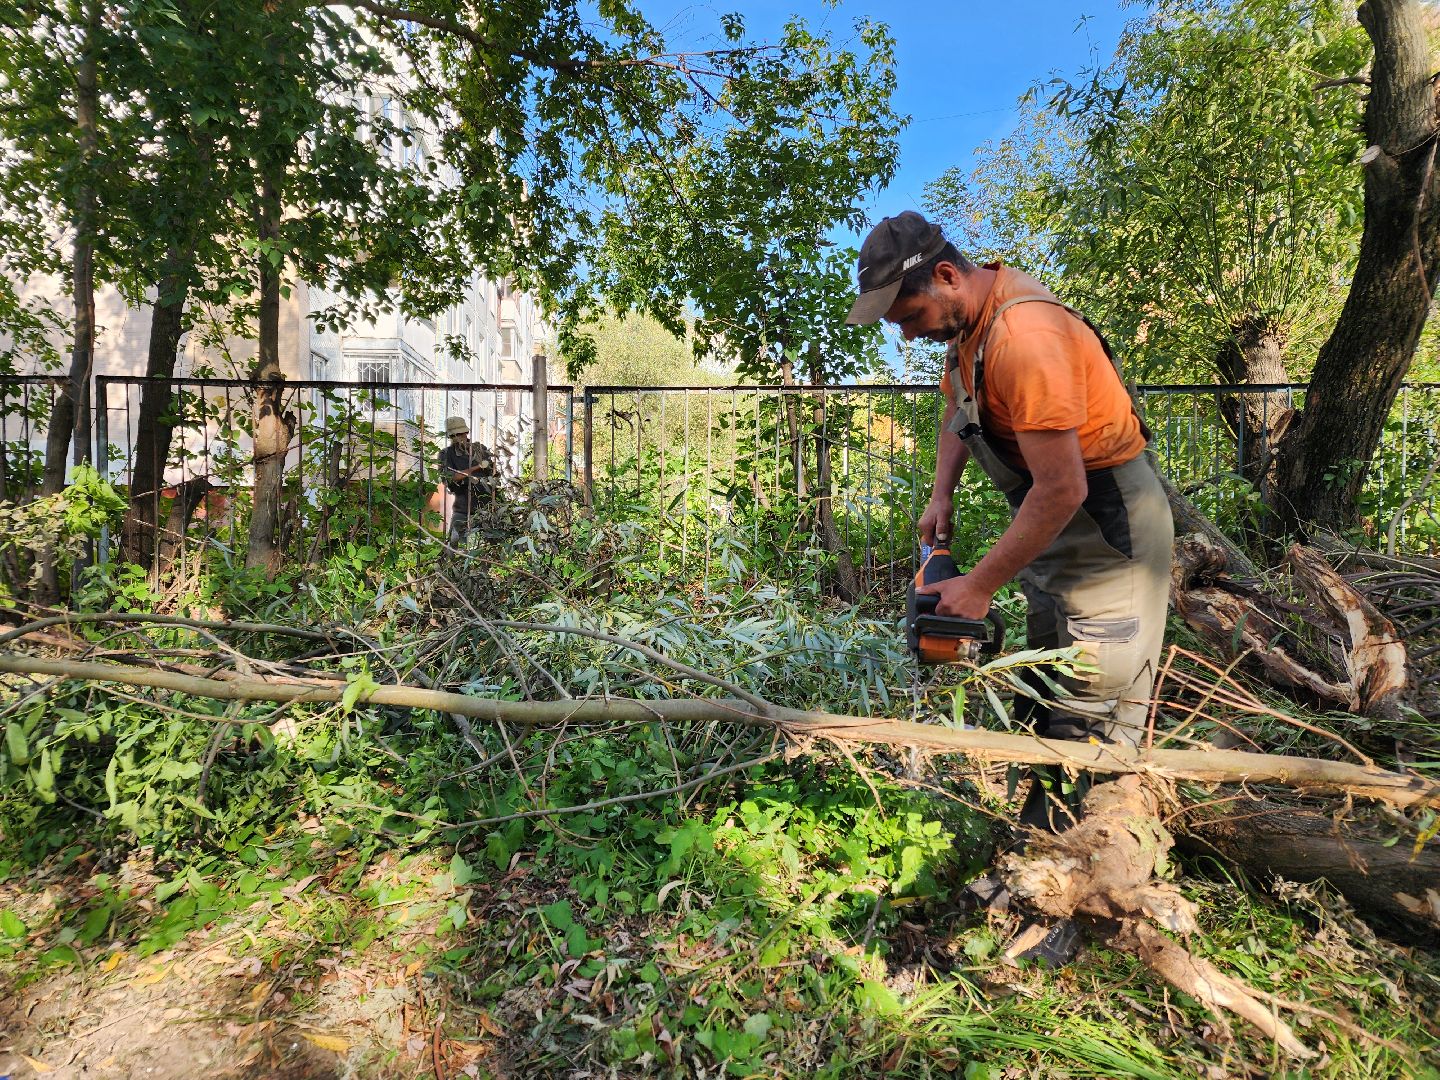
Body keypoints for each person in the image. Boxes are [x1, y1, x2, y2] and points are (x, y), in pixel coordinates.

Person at [848, 211, 1174, 963]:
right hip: (1054, 528)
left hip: (1106, 532)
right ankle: (1037, 840)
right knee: (1046, 681)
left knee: (1092, 700)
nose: (906, 332)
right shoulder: (967, 332)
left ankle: (1078, 892)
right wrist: (941, 496)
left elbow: (1060, 488)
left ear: (948, 276)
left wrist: (979, 586)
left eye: (910, 314)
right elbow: (954, 417)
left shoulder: (1025, 337)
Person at [439, 416, 497, 545]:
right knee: (455, 545)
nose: (458, 438)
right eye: (454, 435)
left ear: (466, 432)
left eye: (460, 434)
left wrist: (492, 468)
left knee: (494, 545)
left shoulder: (480, 449)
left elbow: (494, 474)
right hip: (463, 506)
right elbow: (450, 478)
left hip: (486, 505)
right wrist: (477, 467)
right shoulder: (446, 454)